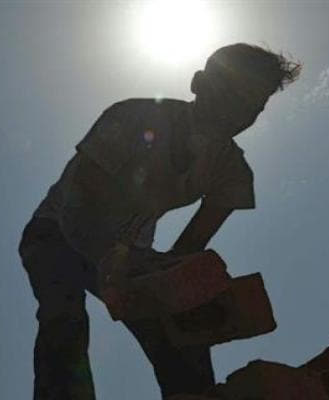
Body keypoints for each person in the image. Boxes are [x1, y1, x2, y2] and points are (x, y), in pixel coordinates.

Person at [18, 43, 300, 399]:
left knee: (181, 331)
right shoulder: (131, 118)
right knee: (64, 317)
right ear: (198, 82)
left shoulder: (232, 172)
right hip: (56, 231)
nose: (237, 111)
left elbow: (188, 249)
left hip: (128, 254)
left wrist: (175, 290)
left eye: (252, 105)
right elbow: (79, 204)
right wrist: (113, 262)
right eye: (231, 92)